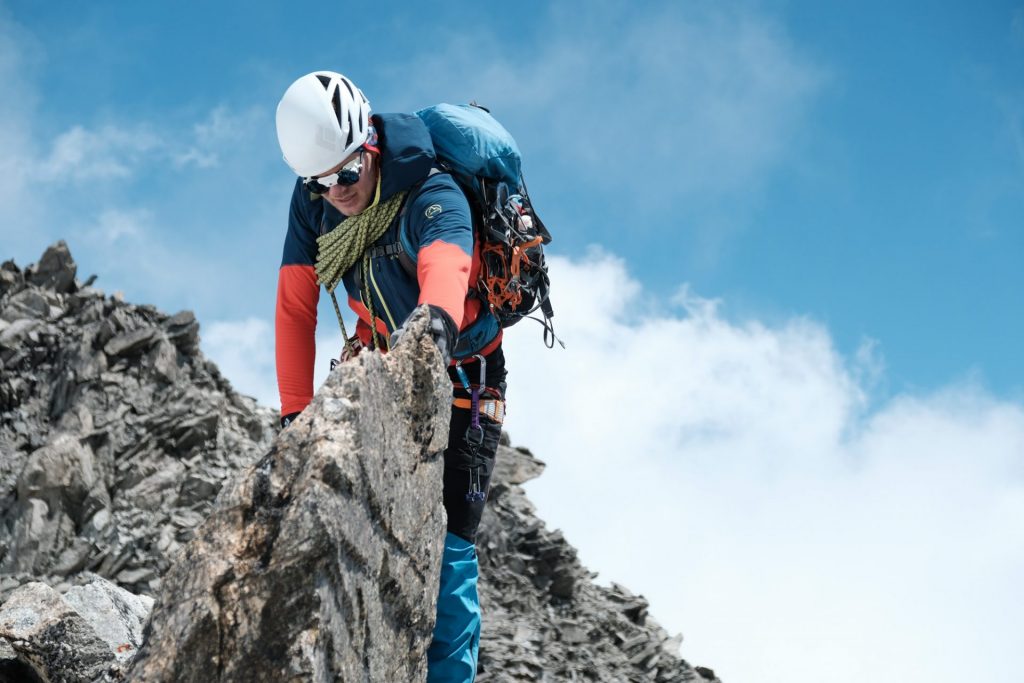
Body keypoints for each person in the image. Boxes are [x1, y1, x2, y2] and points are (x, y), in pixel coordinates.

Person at [274, 70, 506, 682]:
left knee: (453, 547)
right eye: (320, 182)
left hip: (465, 374)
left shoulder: (430, 187)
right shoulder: (314, 201)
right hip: (377, 370)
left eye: (347, 174)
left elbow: (447, 260)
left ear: (370, 145)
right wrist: (294, 416)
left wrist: (432, 326)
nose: (337, 192)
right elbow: (296, 306)